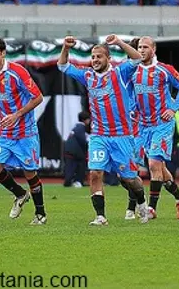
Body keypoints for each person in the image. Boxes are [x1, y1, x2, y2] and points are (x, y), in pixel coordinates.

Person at [58, 34, 150, 225]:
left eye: (99, 57)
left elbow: (137, 58)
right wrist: (66, 48)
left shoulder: (120, 72)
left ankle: (141, 201)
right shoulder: (87, 75)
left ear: (108, 58)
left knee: (129, 179)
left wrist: (119, 42)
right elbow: (63, 66)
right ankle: (100, 216)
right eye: (93, 57)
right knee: (95, 172)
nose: (95, 60)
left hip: (122, 136)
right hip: (99, 135)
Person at [0, 37, 47, 225]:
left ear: (2, 53)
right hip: (4, 132)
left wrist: (17, 115)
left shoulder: (17, 72)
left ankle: (40, 214)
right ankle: (19, 194)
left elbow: (38, 98)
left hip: (25, 132)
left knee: (30, 174)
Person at [132, 36, 179, 219]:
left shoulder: (164, 70)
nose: (142, 50)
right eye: (140, 47)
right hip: (143, 126)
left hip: (162, 125)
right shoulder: (132, 70)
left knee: (154, 164)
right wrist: (132, 109)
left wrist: (173, 109)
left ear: (153, 49)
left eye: (146, 47)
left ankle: (151, 209)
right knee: (160, 169)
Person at [63, 111, 90, 188]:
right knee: (81, 166)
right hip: (75, 152)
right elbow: (83, 140)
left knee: (69, 168)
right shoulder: (81, 127)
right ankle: (78, 182)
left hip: (68, 150)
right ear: (86, 120)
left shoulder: (75, 127)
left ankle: (69, 182)